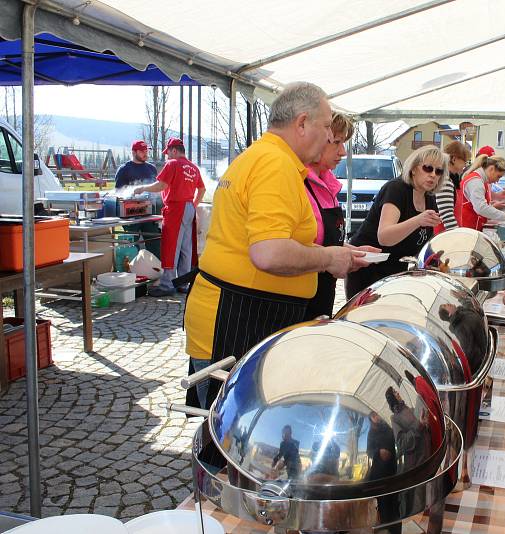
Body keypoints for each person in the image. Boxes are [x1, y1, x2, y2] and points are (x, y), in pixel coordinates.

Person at [183, 82, 369, 409]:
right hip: (238, 318)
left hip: (245, 313)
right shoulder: (275, 164)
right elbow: (268, 252)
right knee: (231, 441)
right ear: (301, 123)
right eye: (326, 127)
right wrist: (327, 257)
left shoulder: (265, 158)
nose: (330, 137)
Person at [303, 112, 378, 319]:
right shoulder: (297, 182)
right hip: (299, 297)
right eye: (336, 142)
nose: (343, 152)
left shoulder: (328, 184)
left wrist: (353, 251)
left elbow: (325, 239)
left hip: (323, 294)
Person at [345, 146, 446, 299]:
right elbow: (384, 236)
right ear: (413, 168)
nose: (433, 175)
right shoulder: (396, 189)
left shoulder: (429, 198)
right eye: (428, 168)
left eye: (438, 171)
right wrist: (418, 220)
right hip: (369, 268)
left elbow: (424, 240)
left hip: (396, 270)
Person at [134, 137, 205, 297]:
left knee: (171, 246)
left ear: (174, 150)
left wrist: (142, 188)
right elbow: (202, 189)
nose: (167, 156)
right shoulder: (193, 167)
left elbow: (161, 185)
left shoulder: (172, 164)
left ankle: (167, 285)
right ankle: (183, 283)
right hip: (188, 208)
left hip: (176, 209)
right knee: (186, 248)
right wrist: (193, 205)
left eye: (168, 153)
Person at [114, 140, 161, 257]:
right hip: (130, 213)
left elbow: (156, 188)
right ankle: (132, 270)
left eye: (146, 151)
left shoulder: (151, 168)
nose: (145, 153)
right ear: (134, 152)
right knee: (131, 245)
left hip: (150, 213)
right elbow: (118, 192)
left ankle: (155, 271)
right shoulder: (124, 169)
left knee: (155, 244)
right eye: (142, 151)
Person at [454, 154, 505, 230]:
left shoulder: (480, 180)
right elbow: (481, 208)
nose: (497, 181)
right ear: (491, 169)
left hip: (471, 227)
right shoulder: (476, 181)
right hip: (467, 228)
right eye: (498, 176)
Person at [434, 141, 471, 232]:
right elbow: (446, 215)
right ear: (454, 159)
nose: (464, 166)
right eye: (464, 162)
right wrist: (457, 236)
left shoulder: (453, 180)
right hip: (444, 237)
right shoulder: (445, 181)